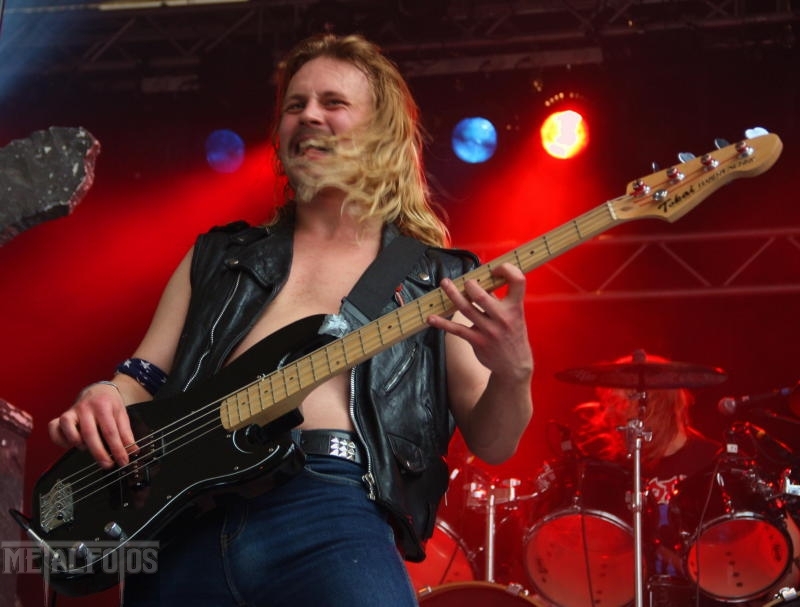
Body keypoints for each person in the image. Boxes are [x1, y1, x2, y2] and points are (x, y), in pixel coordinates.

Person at [46, 33, 534, 606]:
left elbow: (494, 442)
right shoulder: (218, 256)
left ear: (384, 134)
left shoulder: (435, 277)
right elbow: (141, 378)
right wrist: (104, 394)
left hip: (331, 508)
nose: (309, 116)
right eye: (295, 105)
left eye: (333, 102)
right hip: (184, 517)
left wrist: (514, 371)